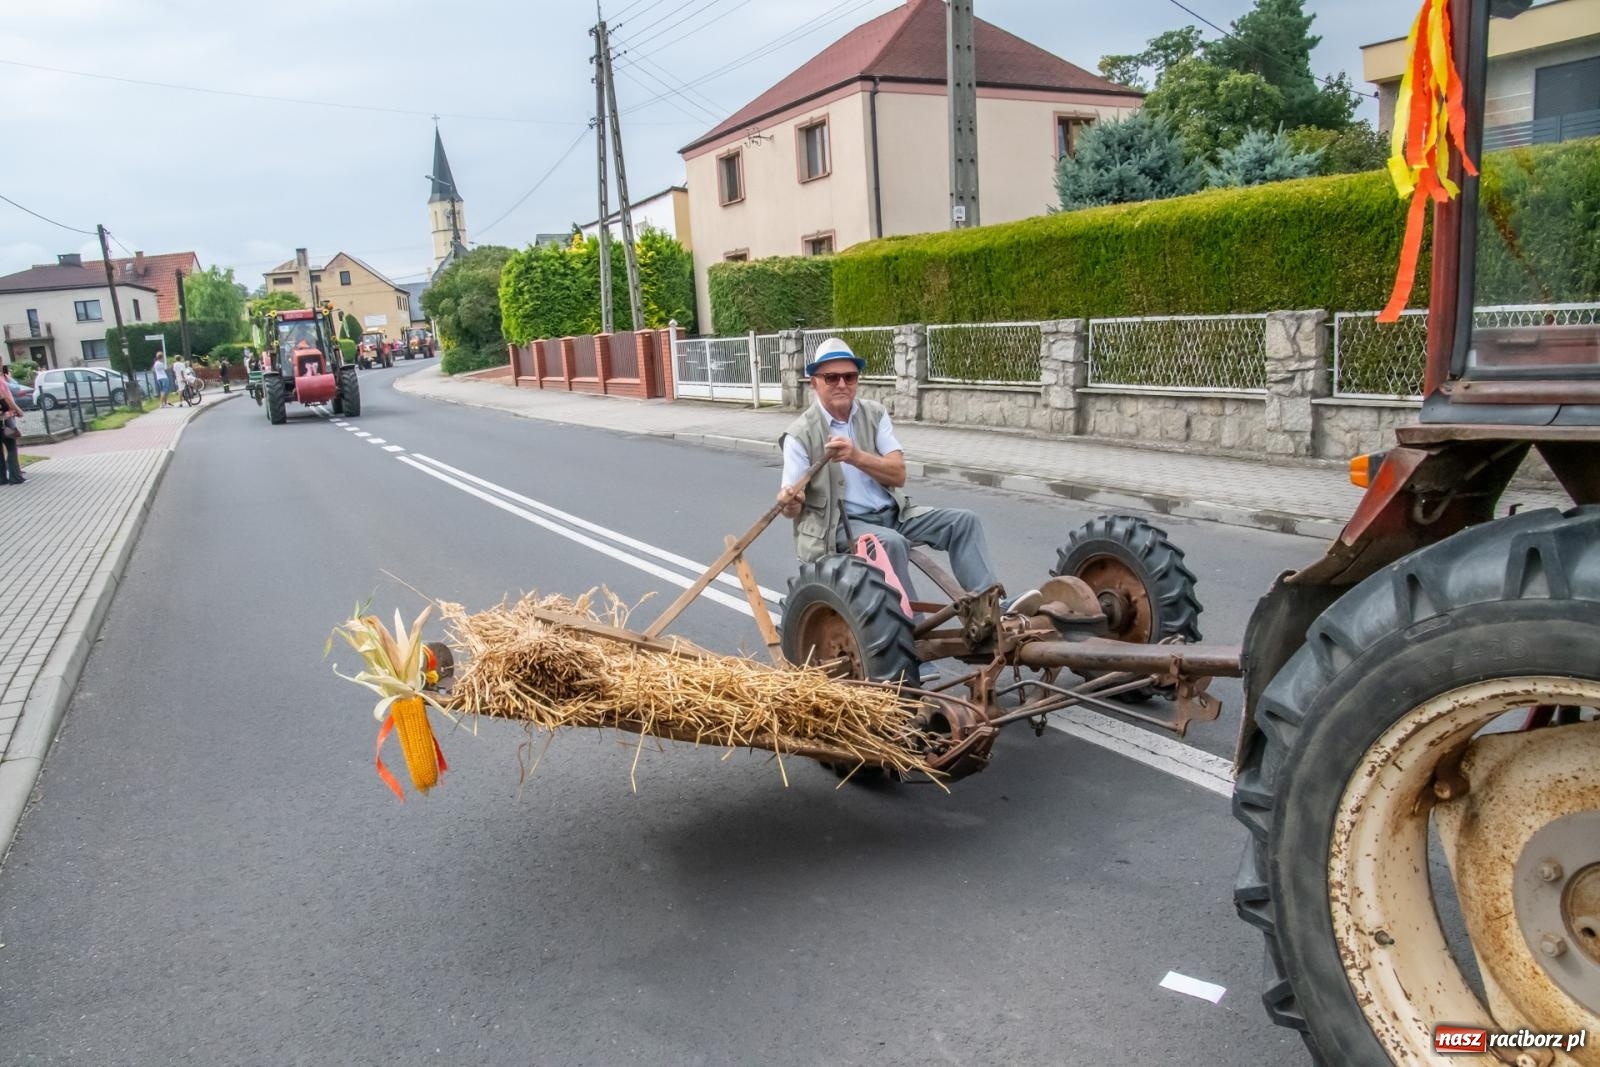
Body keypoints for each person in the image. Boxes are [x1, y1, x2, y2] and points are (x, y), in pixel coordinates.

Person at [776, 338, 1038, 613]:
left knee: (964, 522)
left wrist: (856, 456)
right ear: (814, 382)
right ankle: (914, 639)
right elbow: (792, 504)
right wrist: (792, 501)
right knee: (891, 543)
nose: (842, 384)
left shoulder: (874, 414)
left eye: (849, 376)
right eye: (831, 377)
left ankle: (992, 610)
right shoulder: (800, 435)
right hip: (842, 526)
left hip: (894, 514)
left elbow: (898, 475)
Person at [0, 364, 25, 485]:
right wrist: (18, 410)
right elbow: (5, 398)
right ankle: (15, 477)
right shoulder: (0, 381)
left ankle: (1, 478)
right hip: (5, 417)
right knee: (11, 447)